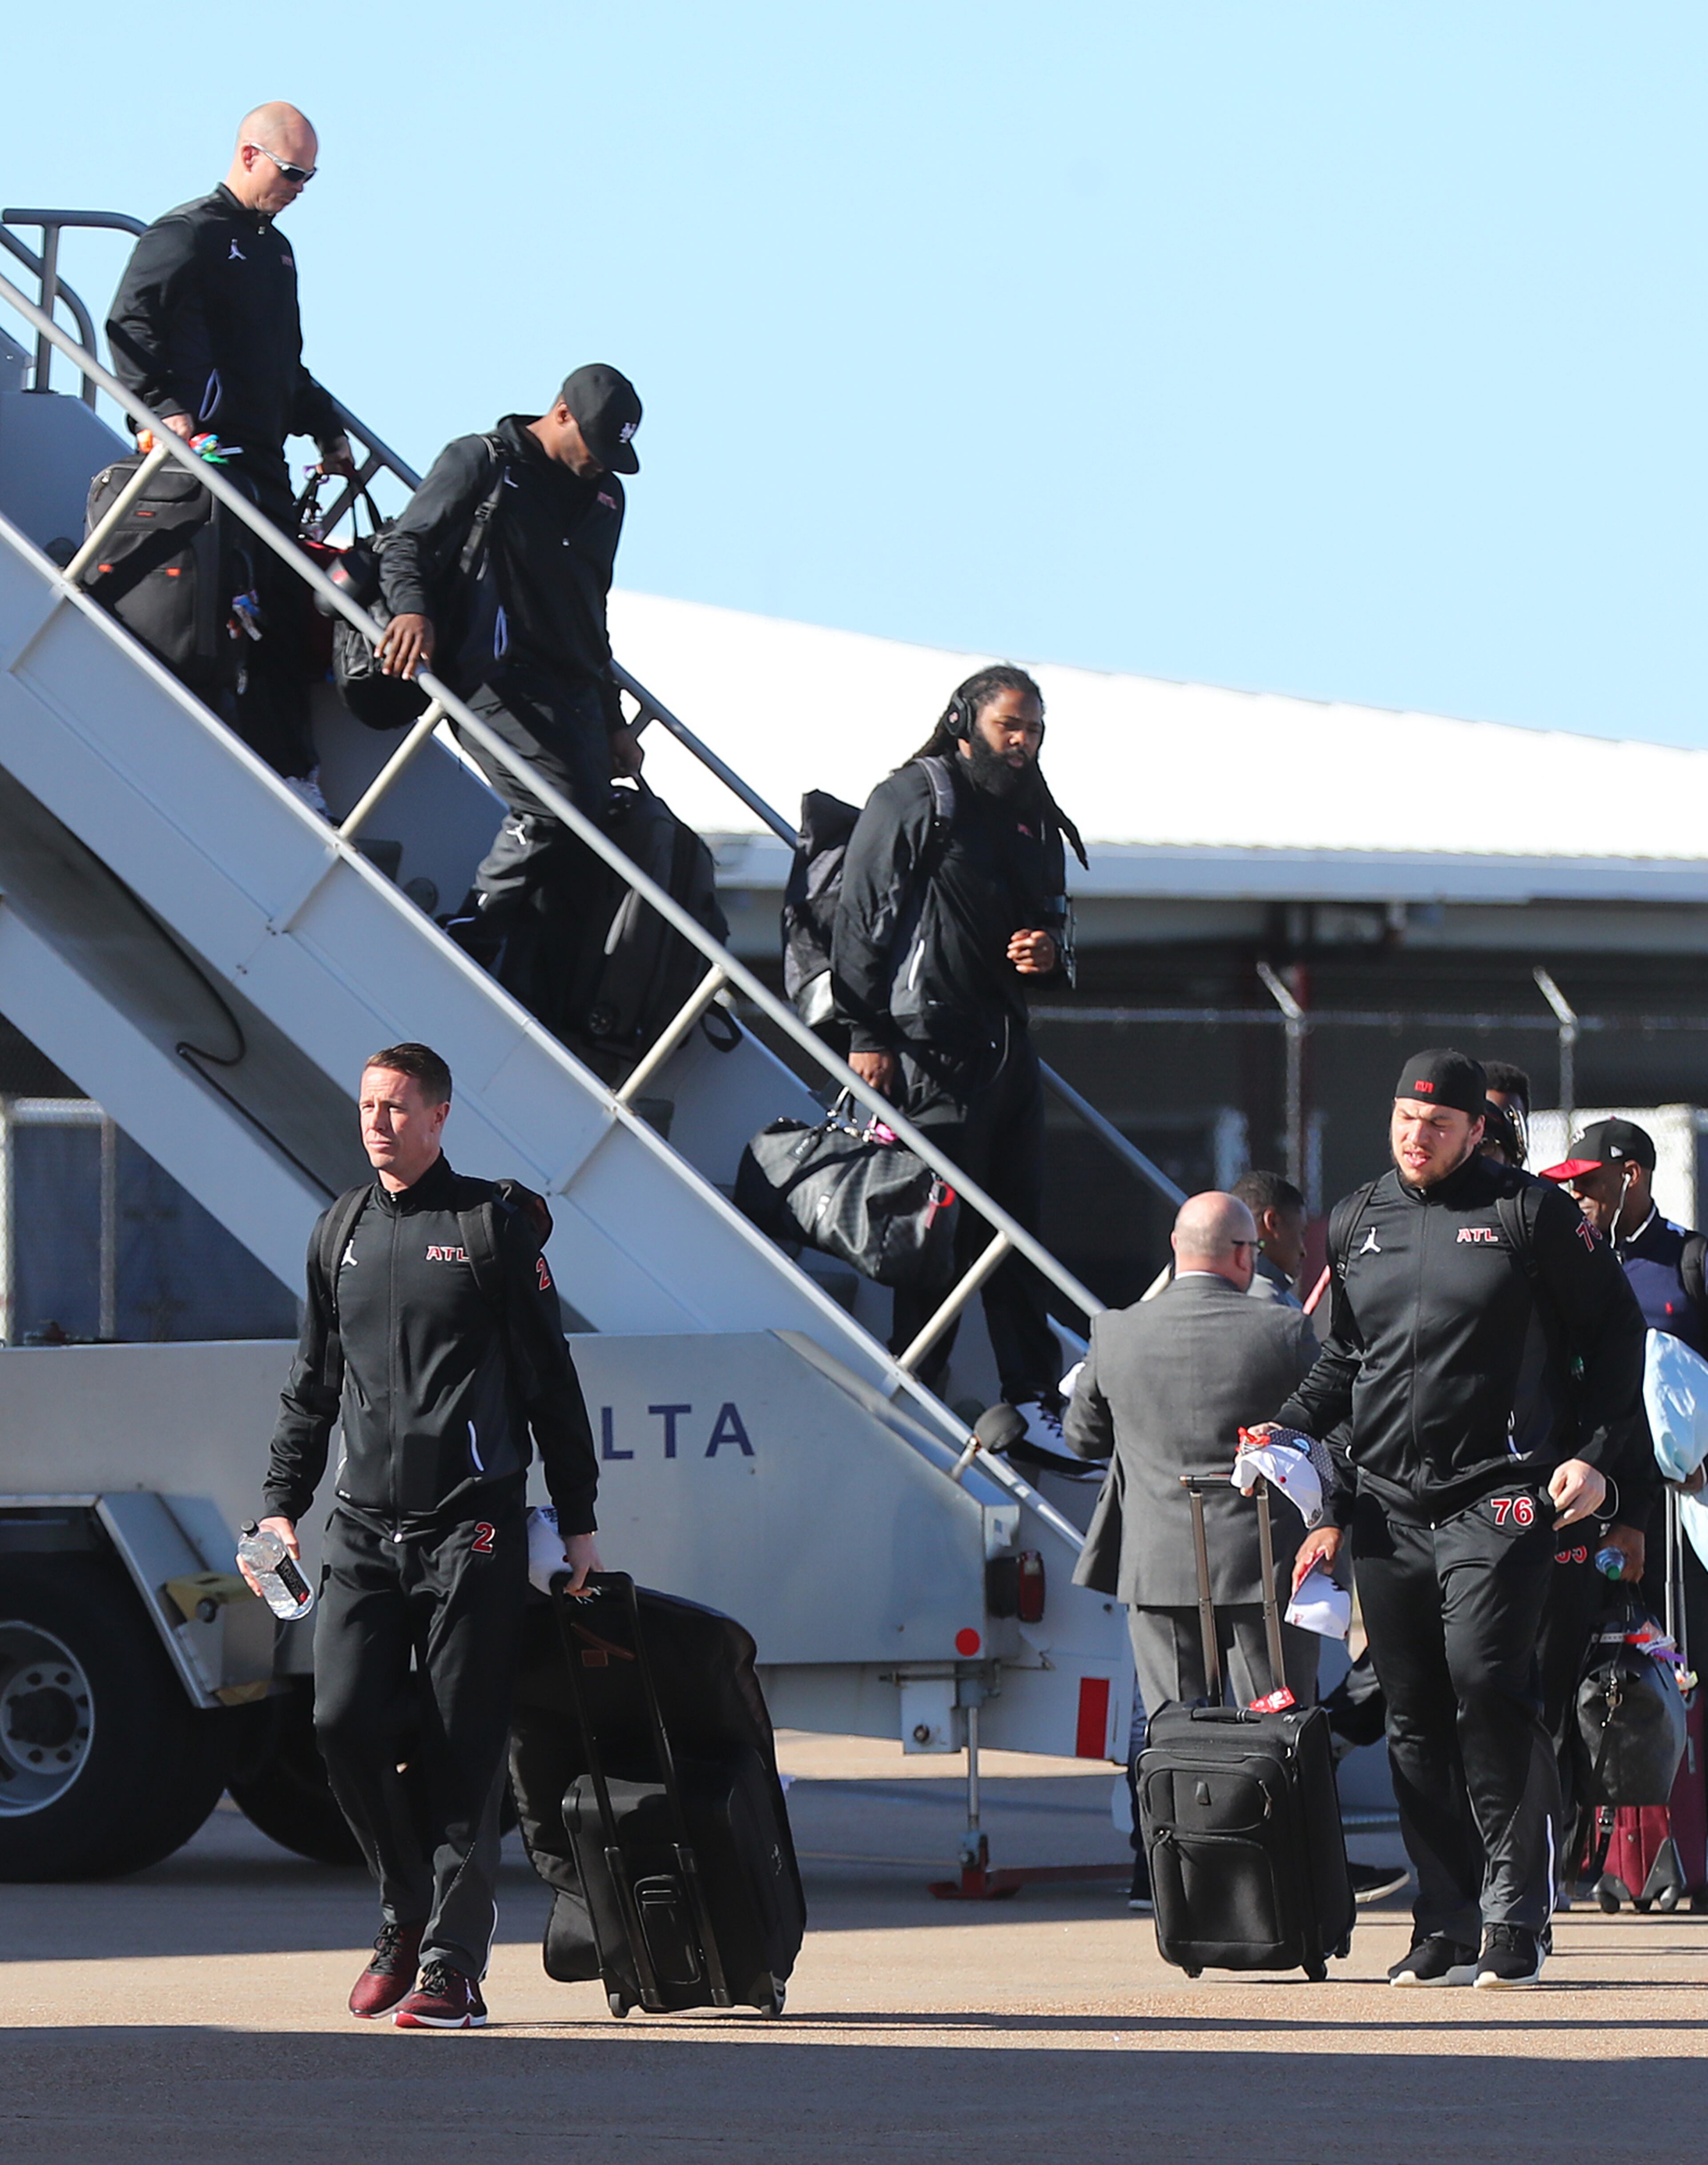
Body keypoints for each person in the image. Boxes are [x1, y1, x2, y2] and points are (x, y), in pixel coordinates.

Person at [241, 1042, 600, 2029]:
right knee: (339, 1721)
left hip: (470, 1524)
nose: (378, 1123)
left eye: (397, 1108)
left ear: (440, 1117)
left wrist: (578, 1521)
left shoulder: (489, 1228)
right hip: (362, 1526)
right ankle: (405, 1910)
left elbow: (552, 1383)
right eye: (368, 1106)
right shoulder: (339, 1229)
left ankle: (452, 1966)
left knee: (461, 1744)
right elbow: (312, 1385)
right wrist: (281, 1503)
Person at [1269, 1050, 1646, 1989]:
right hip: (1389, 1506)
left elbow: (1616, 1332)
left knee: (1489, 1684)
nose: (1417, 1136)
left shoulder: (1531, 1213)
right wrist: (1287, 1431)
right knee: (1414, 1711)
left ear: (1478, 1129)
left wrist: (1597, 1458)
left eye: (1438, 1124)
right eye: (1406, 1118)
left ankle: (1516, 1915)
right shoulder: (1356, 1218)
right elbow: (1346, 1358)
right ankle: (1443, 1921)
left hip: (1502, 1494)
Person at [830, 665, 1086, 1445]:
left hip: (1007, 1048)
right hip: (929, 1048)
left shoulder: (1035, 812)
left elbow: (1058, 921)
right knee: (935, 1230)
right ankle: (916, 1384)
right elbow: (860, 916)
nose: (1023, 742)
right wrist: (866, 1035)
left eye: (1035, 729)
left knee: (1020, 1227)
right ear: (964, 721)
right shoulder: (916, 795)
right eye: (1011, 725)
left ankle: (1033, 1396)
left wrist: (1051, 953)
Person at [375, 369, 644, 1026]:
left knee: (596, 832)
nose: (600, 465)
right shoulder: (484, 459)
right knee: (555, 803)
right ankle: (474, 927)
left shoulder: (607, 495)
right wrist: (412, 610)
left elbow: (593, 610)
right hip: (491, 672)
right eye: (595, 448)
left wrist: (614, 718)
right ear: (562, 415)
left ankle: (534, 989)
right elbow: (406, 541)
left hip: (573, 687)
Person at [107, 103, 355, 795]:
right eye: (292, 173)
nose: (300, 188)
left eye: (309, 178)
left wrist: (327, 428)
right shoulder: (187, 234)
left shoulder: (278, 253)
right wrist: (162, 410)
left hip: (265, 462)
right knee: (224, 612)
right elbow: (130, 325)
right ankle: (218, 769)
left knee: (284, 611)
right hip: (205, 463)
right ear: (250, 156)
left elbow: (283, 364)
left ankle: (294, 773)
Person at [1231, 1169, 1308, 1307]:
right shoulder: (1273, 1306)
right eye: (1301, 1233)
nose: (1304, 1251)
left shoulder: (1207, 1293)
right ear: (1273, 1222)